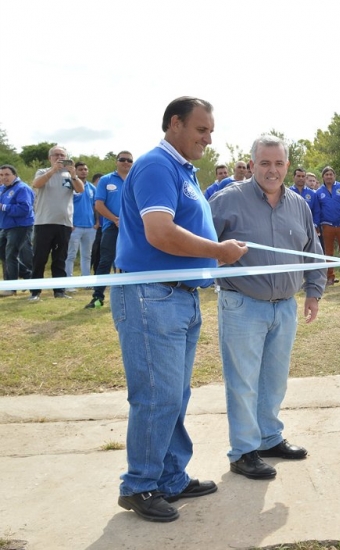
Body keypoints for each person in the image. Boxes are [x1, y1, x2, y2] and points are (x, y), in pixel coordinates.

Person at [113, 97, 248, 523]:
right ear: (175, 124)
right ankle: (139, 485)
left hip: (179, 296)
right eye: (201, 130)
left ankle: (170, 476)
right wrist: (219, 253)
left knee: (175, 394)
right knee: (157, 395)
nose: (209, 139)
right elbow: (160, 232)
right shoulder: (157, 166)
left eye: (210, 131)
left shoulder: (182, 170)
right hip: (152, 296)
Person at [210, 135, 325, 480]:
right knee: (243, 380)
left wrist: (314, 291)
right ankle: (244, 451)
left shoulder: (299, 205)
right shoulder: (226, 201)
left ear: (287, 166)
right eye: (264, 163)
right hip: (242, 304)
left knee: (274, 379)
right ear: (252, 164)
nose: (272, 170)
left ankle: (269, 438)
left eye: (278, 163)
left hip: (284, 307)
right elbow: (200, 244)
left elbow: (312, 250)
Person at [29, 145, 85, 301]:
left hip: (64, 223)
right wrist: (53, 170)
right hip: (44, 222)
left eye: (62, 155)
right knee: (40, 257)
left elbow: (81, 190)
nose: (59, 157)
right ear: (50, 158)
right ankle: (35, 292)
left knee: (60, 258)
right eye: (56, 155)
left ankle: (59, 291)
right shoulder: (43, 172)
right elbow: (36, 184)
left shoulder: (69, 176)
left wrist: (73, 174)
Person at [85, 151, 134, 309]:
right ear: (116, 161)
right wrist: (115, 219)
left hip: (131, 227)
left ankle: (129, 298)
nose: (126, 162)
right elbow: (99, 205)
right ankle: (97, 297)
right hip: (112, 227)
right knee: (105, 261)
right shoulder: (106, 180)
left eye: (129, 160)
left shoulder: (136, 179)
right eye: (122, 159)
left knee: (130, 261)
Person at [0, 164, 34, 295]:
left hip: (20, 226)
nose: (4, 177)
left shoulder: (22, 188)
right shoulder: (3, 188)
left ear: (14, 175)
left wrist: (3, 207)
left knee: (10, 255)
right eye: (1, 175)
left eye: (7, 174)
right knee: (4, 254)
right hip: (6, 226)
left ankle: (11, 288)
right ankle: (28, 276)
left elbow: (25, 209)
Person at [316, 166, 340, 286]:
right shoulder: (319, 192)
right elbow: (317, 210)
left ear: (334, 176)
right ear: (323, 177)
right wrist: (320, 224)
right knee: (328, 253)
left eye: (331, 174)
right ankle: (330, 277)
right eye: (326, 175)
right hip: (327, 226)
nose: (329, 176)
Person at [65, 162, 96, 290]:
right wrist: (69, 222)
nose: (83, 171)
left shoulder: (92, 188)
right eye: (81, 169)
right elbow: (64, 204)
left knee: (87, 255)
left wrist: (97, 222)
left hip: (90, 226)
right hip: (74, 226)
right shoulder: (69, 185)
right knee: (70, 255)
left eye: (85, 169)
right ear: (75, 171)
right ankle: (68, 283)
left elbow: (96, 206)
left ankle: (86, 281)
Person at [289, 168, 321, 233]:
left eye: (303, 176)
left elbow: (317, 211)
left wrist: (315, 225)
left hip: (308, 228)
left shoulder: (312, 194)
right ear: (294, 177)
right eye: (298, 176)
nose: (301, 178)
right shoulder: (288, 192)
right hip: (292, 227)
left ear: (305, 179)